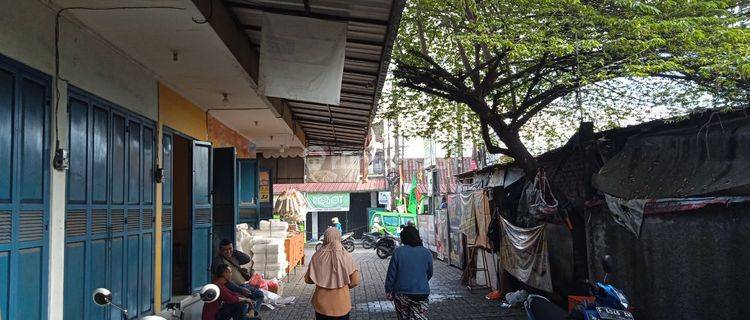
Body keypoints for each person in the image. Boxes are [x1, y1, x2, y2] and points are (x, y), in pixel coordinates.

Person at [305, 227, 361, 320]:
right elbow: (355, 281)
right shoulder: (346, 256)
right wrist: (342, 285)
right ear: (339, 238)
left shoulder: (316, 256)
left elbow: (308, 280)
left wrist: (322, 280)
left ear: (325, 238)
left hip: (321, 306)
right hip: (342, 305)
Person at [385, 226, 433, 320]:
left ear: (403, 238)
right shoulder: (426, 252)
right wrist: (420, 282)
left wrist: (388, 290)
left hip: (401, 294)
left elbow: (391, 274)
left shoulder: (398, 252)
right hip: (421, 293)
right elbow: (429, 273)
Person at [212, 239, 264, 317]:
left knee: (259, 294)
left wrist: (235, 251)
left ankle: (252, 312)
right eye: (225, 250)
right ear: (220, 251)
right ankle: (247, 315)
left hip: (243, 285)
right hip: (233, 288)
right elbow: (225, 281)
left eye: (230, 249)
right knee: (241, 306)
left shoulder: (234, 257)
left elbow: (247, 259)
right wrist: (240, 290)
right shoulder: (218, 261)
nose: (228, 251)